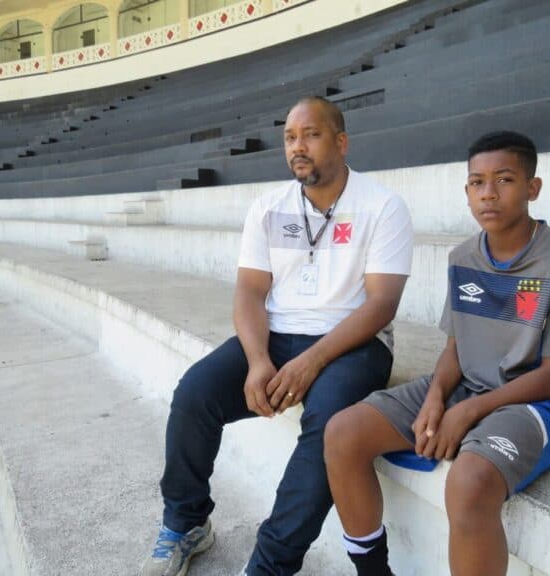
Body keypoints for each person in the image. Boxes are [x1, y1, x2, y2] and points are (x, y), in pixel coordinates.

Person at [141, 96, 414, 576]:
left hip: (354, 345)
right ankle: (187, 523)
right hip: (279, 336)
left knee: (329, 426)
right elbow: (249, 292)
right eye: (289, 138)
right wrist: (257, 359)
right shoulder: (268, 208)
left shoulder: (383, 206)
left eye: (310, 135)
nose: (297, 147)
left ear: (342, 142)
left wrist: (313, 361)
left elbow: (381, 305)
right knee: (194, 394)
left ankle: (269, 566)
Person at [324, 131, 550, 576]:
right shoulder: (463, 257)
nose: (488, 193)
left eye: (504, 180)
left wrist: (469, 412)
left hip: (538, 401)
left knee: (469, 482)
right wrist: (436, 398)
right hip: (468, 384)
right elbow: (455, 347)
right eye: (477, 182)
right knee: (343, 433)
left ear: (532, 188)